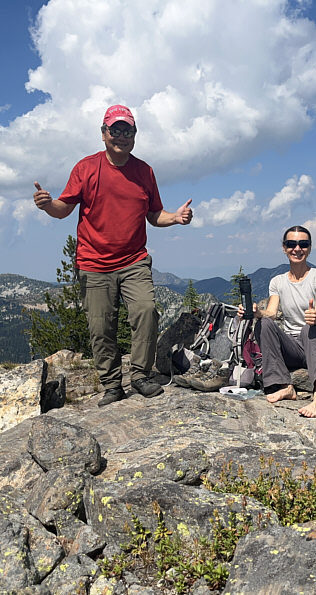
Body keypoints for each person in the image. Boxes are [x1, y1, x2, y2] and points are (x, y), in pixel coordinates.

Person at [33, 104, 193, 406]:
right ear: (104, 133)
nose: (121, 136)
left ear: (134, 135)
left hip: (134, 260)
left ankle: (140, 375)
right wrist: (47, 204)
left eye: (127, 130)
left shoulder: (144, 171)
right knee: (100, 326)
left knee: (146, 310)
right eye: (115, 130)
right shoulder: (86, 168)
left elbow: (154, 214)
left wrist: (176, 217)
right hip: (93, 263)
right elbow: (63, 209)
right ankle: (111, 385)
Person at [239, 226, 316, 418]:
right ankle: (285, 386)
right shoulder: (277, 281)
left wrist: (315, 318)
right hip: (295, 347)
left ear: (309, 248)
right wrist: (257, 313)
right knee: (264, 324)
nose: (297, 248)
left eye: (303, 244)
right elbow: (271, 313)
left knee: (309, 329)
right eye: (291, 244)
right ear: (284, 248)